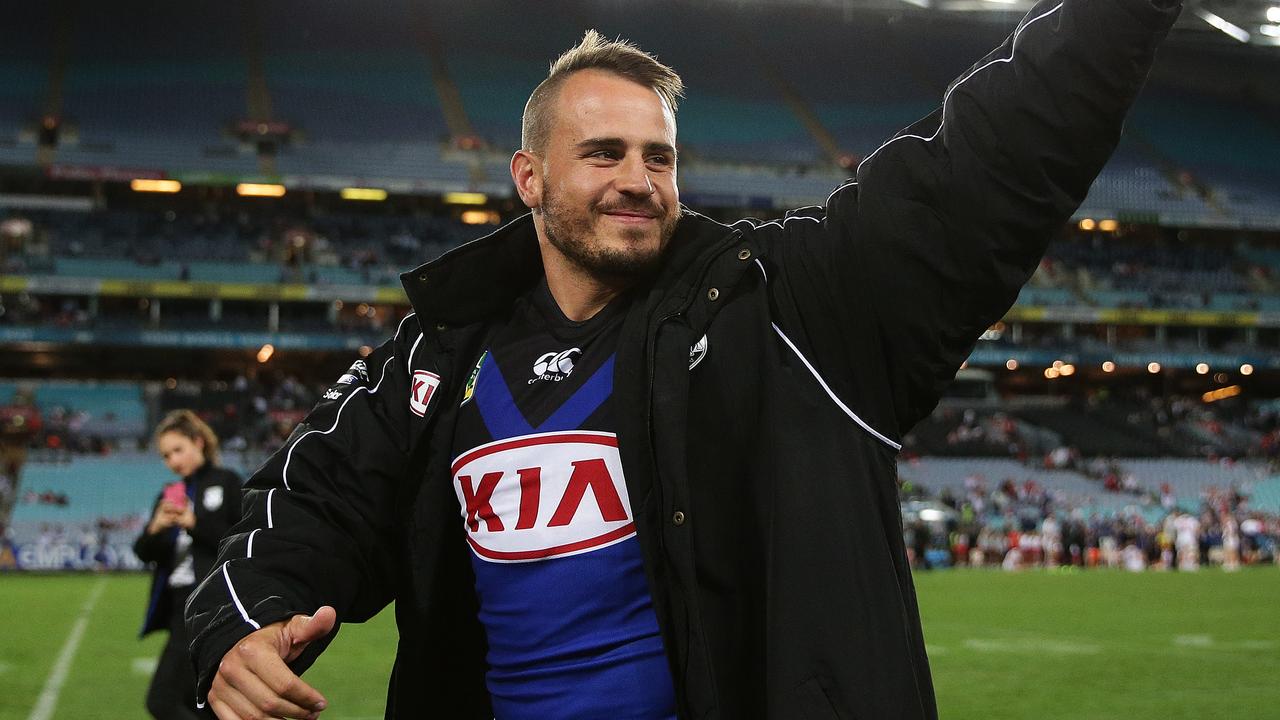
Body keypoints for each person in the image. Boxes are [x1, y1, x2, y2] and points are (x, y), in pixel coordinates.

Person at [186, 0, 1180, 717]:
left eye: (656, 156)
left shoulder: (782, 307)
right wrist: (240, 625)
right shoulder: (438, 356)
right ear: (527, 176)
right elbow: (310, 500)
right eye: (603, 153)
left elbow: (985, 161)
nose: (637, 180)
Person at [134, 410, 242, 719]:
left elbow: (240, 541)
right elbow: (144, 553)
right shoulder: (169, 494)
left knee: (164, 700)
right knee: (203, 704)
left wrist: (194, 523)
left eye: (178, 449)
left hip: (214, 604)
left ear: (198, 441)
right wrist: (155, 527)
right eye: (166, 455)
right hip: (179, 608)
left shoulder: (228, 481)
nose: (172, 460)